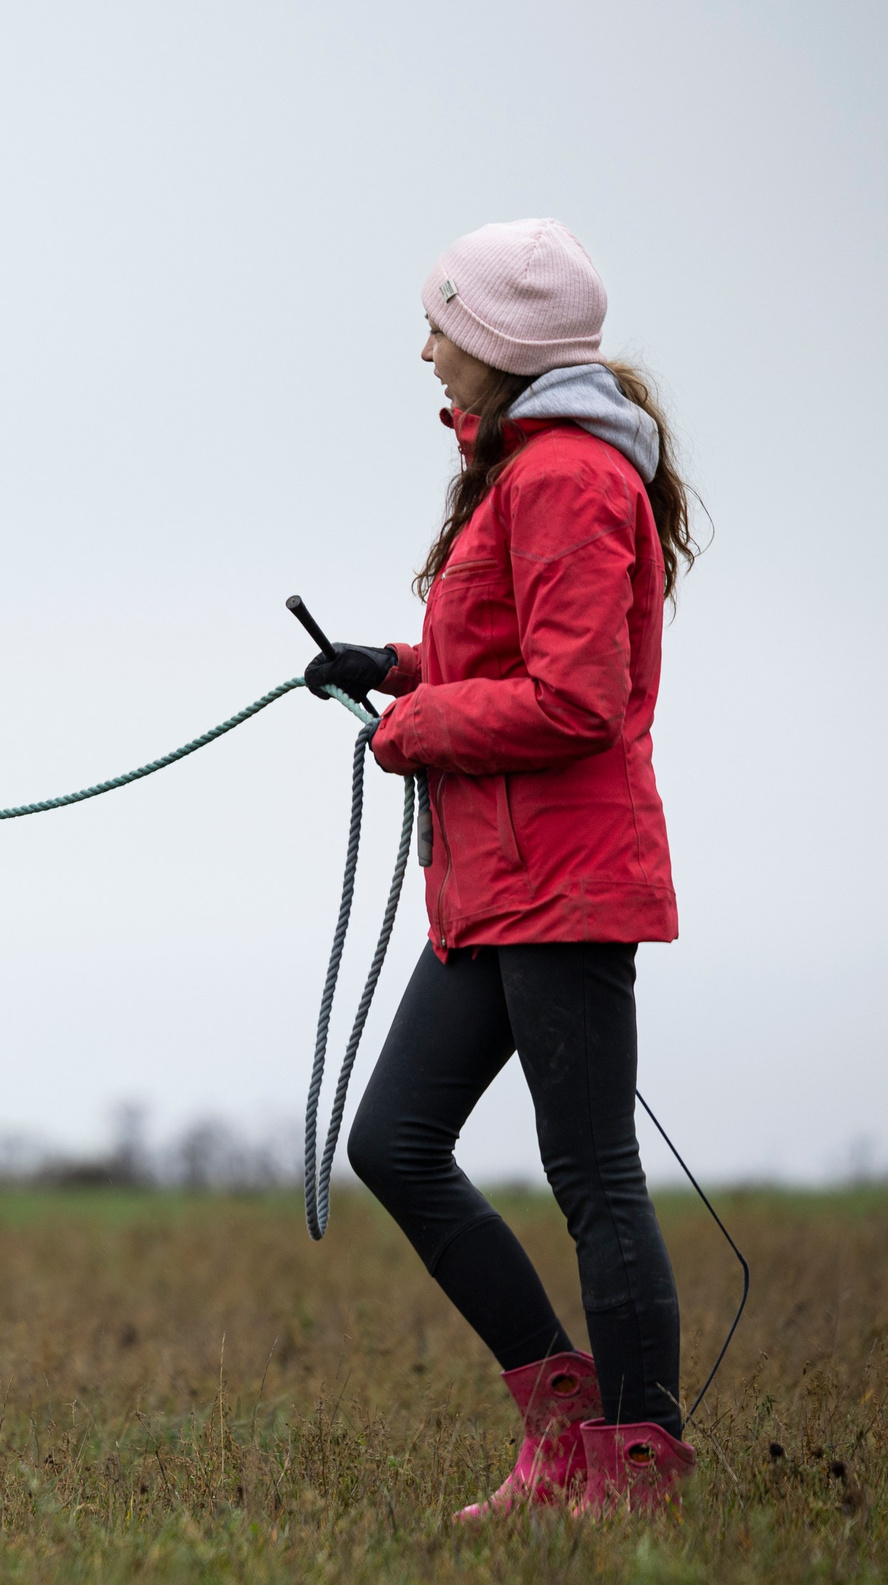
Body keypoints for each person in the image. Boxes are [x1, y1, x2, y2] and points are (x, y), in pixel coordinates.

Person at [303, 218, 703, 1517]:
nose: (427, 347)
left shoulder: (567, 478)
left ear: (502, 345)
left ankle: (636, 1468)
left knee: (592, 1176)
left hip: (565, 877)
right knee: (396, 1141)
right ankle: (559, 1417)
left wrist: (418, 727)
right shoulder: (519, 471)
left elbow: (577, 698)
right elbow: (503, 659)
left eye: (444, 326)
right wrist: (393, 668)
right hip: (494, 882)